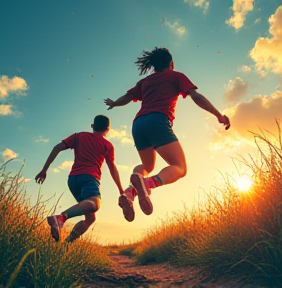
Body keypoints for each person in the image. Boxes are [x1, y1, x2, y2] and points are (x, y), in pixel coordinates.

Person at [104, 47, 230, 222]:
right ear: (171, 63)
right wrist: (218, 115)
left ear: (153, 66)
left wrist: (114, 104)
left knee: (146, 166)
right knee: (180, 168)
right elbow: (196, 97)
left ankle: (129, 192)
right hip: (158, 120)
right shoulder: (176, 76)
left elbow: (127, 97)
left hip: (138, 124)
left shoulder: (145, 81)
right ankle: (147, 185)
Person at [35, 115, 124, 242]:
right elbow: (112, 168)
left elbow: (57, 148)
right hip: (89, 179)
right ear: (107, 129)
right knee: (95, 204)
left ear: (92, 126)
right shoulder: (107, 145)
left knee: (90, 218)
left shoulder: (79, 136)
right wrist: (121, 190)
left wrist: (44, 170)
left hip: (73, 180)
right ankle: (61, 218)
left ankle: (66, 243)